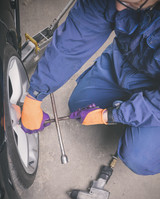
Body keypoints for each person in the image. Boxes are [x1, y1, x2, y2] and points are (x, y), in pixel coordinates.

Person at [21, 0, 160, 175]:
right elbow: (77, 35)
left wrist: (110, 115)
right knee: (80, 104)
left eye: (128, 2)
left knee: (139, 158)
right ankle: (133, 110)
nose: (118, 7)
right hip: (123, 61)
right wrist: (35, 94)